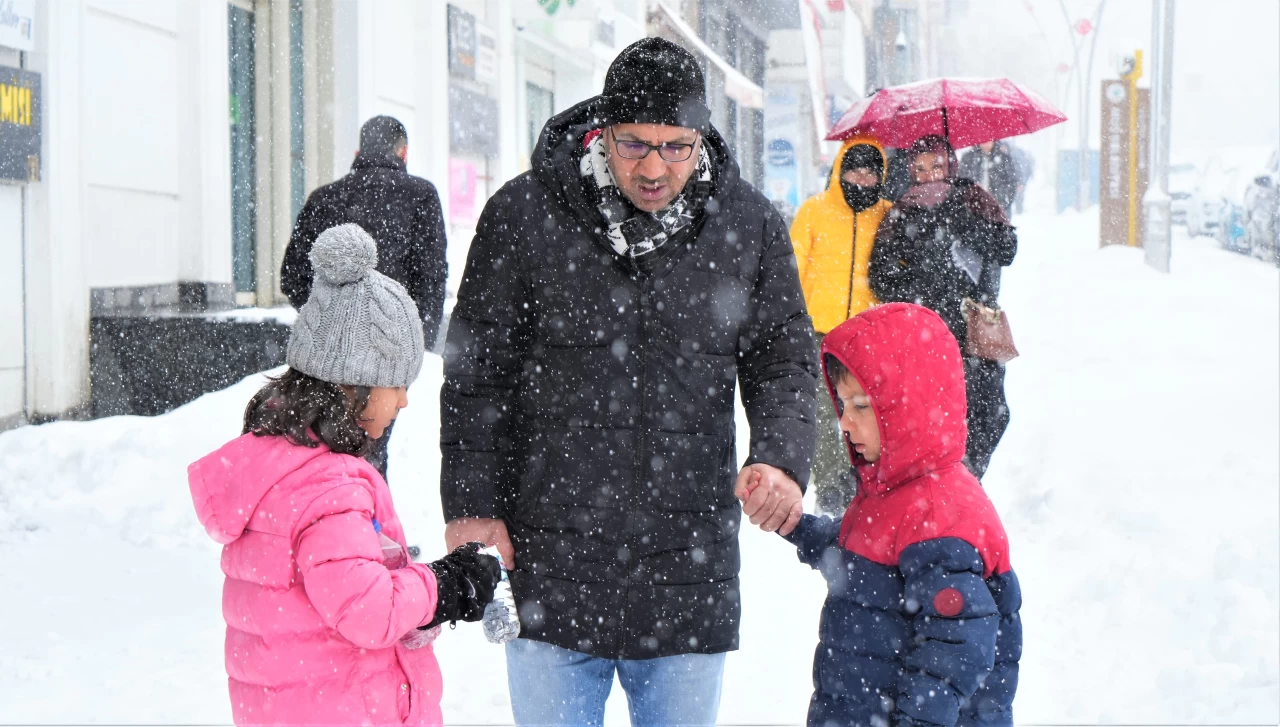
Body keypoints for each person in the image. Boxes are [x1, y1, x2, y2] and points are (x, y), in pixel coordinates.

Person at [440, 37, 818, 727]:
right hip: (551, 558)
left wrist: (780, 456)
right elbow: (477, 374)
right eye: (634, 143)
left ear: (701, 135)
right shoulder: (524, 216)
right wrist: (471, 500)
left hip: (686, 567)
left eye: (676, 146)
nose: (654, 167)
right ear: (602, 130)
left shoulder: (749, 225)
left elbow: (783, 358)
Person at [189, 224, 501, 726]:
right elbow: (367, 611)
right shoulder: (328, 488)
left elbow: (335, 589)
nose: (403, 400)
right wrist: (445, 585)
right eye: (395, 384)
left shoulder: (277, 465)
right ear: (352, 384)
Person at [776, 302, 1022, 727]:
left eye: (862, 406)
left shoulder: (939, 515)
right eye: (843, 404)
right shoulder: (893, 493)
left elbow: (957, 651)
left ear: (907, 406)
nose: (845, 422)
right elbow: (863, 562)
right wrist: (798, 527)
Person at [281, 115, 448, 479]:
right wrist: (413, 345)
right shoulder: (421, 196)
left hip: (325, 361)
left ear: (359, 152)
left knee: (326, 447)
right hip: (389, 360)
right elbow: (432, 277)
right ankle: (364, 526)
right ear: (403, 152)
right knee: (370, 451)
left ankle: (339, 520)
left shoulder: (324, 198)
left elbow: (292, 276)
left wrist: (326, 329)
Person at [869, 135, 1017, 479]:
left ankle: (968, 477)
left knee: (991, 412)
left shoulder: (975, 197)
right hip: (925, 334)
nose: (928, 175)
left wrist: (963, 221)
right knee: (934, 416)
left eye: (936, 165)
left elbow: (1006, 249)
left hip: (974, 330)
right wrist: (920, 283)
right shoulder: (902, 209)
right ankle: (948, 483)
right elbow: (881, 277)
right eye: (919, 168)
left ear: (951, 164)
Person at [789, 136, 892, 514]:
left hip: (868, 335)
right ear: (839, 170)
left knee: (865, 411)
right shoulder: (814, 212)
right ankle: (832, 486)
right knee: (820, 412)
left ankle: (867, 481)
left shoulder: (888, 214)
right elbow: (791, 268)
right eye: (855, 171)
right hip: (819, 331)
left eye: (870, 174)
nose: (862, 180)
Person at [958, 139, 1022, 216]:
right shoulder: (968, 158)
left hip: (998, 208)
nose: (985, 143)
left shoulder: (1003, 158)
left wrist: (1002, 200)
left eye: (989, 140)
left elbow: (1011, 182)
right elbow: (961, 180)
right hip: (974, 209)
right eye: (983, 139)